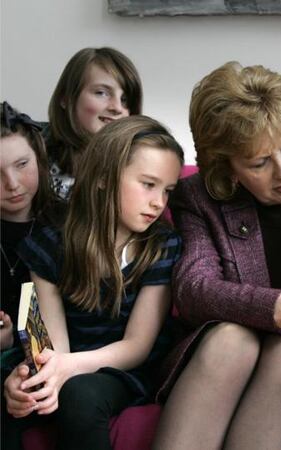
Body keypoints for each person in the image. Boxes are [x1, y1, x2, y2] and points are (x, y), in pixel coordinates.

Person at [152, 62, 281, 450]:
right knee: (234, 339)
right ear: (227, 167)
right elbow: (193, 289)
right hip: (220, 357)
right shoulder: (200, 198)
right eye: (259, 162)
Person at [3, 115, 183, 450]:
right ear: (103, 177)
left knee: (81, 393)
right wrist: (40, 376)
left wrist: (66, 368)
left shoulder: (161, 246)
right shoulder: (49, 245)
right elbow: (53, 347)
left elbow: (137, 347)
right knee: (17, 392)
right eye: (148, 184)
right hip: (69, 360)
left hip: (126, 372)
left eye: (168, 190)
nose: (159, 202)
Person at [0, 102, 66, 450]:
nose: (11, 184)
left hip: (56, 355)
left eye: (22, 165)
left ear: (39, 159)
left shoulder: (67, 226)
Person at [45, 47, 142, 199]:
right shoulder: (34, 153)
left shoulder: (139, 160)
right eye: (101, 93)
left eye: (125, 99)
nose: (117, 107)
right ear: (66, 98)